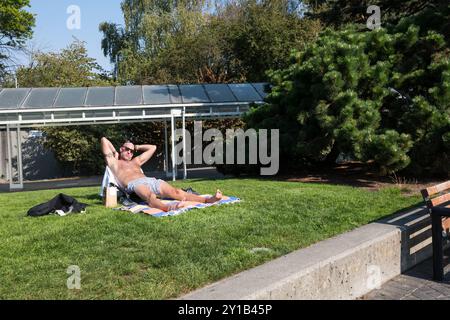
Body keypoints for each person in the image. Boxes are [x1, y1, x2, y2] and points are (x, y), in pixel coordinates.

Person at [100, 137, 223, 212]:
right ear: (121, 149)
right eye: (127, 150)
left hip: (150, 180)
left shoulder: (136, 161)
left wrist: (136, 146)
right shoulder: (114, 163)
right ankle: (169, 208)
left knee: (177, 192)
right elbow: (104, 140)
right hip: (134, 184)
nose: (130, 152)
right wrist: (115, 152)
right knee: (150, 196)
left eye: (132, 151)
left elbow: (153, 148)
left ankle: (208, 199)